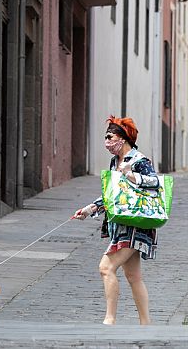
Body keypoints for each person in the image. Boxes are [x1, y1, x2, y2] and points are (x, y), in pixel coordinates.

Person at [73, 116, 159, 325]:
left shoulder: (139, 161)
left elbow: (155, 182)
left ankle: (109, 320)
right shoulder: (115, 162)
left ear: (123, 138)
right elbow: (112, 194)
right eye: (106, 137)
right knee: (133, 277)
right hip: (120, 224)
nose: (107, 141)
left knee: (106, 267)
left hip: (135, 224)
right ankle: (146, 325)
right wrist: (90, 208)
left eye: (110, 136)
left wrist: (131, 176)